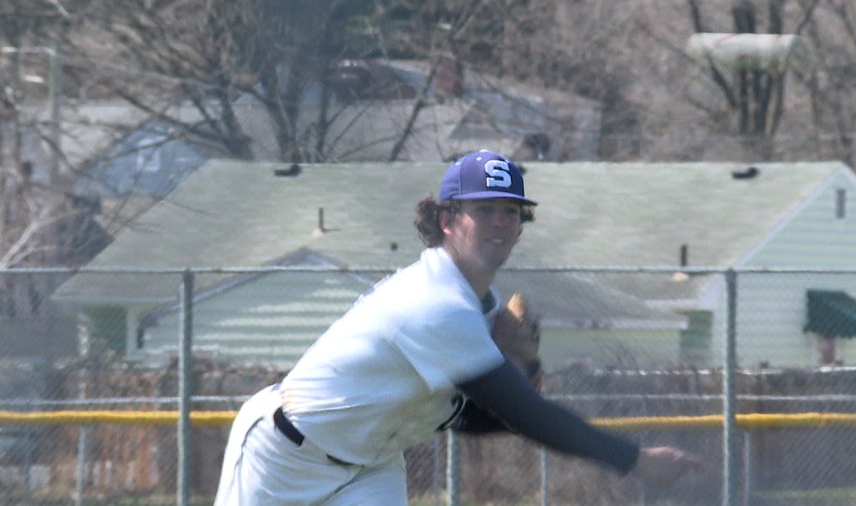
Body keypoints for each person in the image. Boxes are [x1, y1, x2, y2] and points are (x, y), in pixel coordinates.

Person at [214, 149, 704, 505]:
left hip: (369, 468)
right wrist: (636, 460)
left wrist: (526, 362)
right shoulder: (434, 302)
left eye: (510, 211)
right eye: (483, 208)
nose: (499, 222)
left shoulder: (478, 309)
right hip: (281, 456)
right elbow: (526, 414)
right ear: (447, 219)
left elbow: (475, 420)